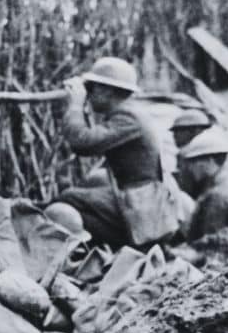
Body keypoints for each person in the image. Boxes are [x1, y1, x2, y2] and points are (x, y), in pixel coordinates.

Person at [48, 57, 182, 248]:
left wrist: (76, 106)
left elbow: (82, 143)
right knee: (88, 191)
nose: (89, 95)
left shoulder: (128, 118)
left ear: (107, 91)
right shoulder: (130, 114)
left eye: (92, 88)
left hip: (143, 208)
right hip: (140, 202)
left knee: (68, 198)